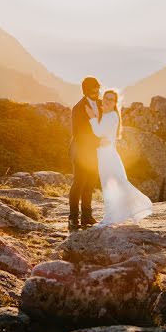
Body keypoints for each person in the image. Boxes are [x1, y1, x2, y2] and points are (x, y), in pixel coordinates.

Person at [85, 89, 154, 227]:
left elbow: (99, 132)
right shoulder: (106, 114)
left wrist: (92, 117)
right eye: (106, 98)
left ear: (115, 102)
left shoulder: (111, 116)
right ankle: (124, 213)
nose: (107, 101)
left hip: (108, 156)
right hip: (105, 155)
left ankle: (111, 218)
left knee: (110, 186)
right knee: (115, 185)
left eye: (111, 99)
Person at [68, 77, 108, 230]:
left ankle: (87, 216)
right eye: (93, 90)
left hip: (96, 151)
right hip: (81, 149)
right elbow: (78, 133)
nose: (96, 93)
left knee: (90, 182)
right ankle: (72, 218)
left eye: (98, 89)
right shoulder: (78, 108)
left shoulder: (100, 104)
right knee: (79, 183)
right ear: (85, 91)